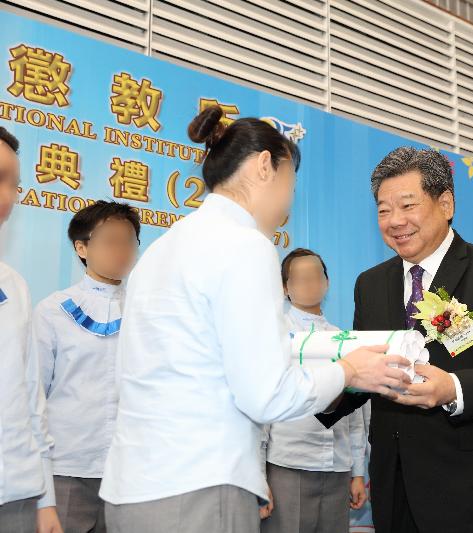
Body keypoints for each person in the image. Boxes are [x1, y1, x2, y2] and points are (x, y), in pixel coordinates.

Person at [99, 107, 410, 533]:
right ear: (266, 166)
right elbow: (267, 394)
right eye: (291, 184)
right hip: (200, 486)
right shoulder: (245, 245)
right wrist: (350, 370)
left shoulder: (165, 246)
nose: (288, 203)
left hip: (133, 489)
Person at [318, 147, 473, 533]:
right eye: (383, 210)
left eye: (407, 205)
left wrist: (452, 388)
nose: (395, 221)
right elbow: (368, 372)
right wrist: (319, 386)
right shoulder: (370, 284)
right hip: (396, 486)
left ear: (446, 203)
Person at [27, 201, 140, 533]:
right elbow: (34, 393)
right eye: (110, 240)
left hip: (128, 471)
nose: (121, 250)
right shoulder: (53, 310)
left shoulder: (145, 311)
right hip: (67, 468)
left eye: (129, 241)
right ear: (81, 247)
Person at [262, 248, 367, 533]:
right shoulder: (275, 333)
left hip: (337, 466)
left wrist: (358, 472)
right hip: (288, 463)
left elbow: (356, 413)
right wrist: (259, 475)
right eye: (300, 277)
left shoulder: (344, 337)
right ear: (285, 287)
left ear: (327, 282)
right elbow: (261, 408)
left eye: (316, 275)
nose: (310, 283)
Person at [0, 126, 62, 533]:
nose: (8, 198)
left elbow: (31, 398)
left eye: (14, 185)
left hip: (17, 493)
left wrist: (46, 499)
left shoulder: (14, 285)